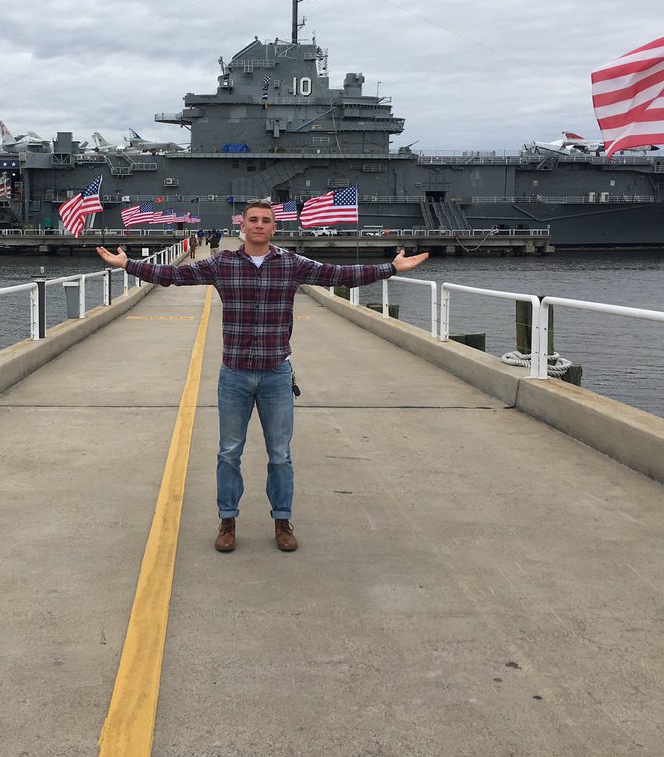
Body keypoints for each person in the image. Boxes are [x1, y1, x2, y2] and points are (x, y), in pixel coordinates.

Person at [96, 200, 429, 553]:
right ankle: (228, 519)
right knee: (228, 452)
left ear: (274, 228)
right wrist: (128, 265)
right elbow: (174, 276)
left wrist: (390, 268)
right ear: (243, 226)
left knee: (280, 454)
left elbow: (338, 275)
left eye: (265, 221)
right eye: (252, 220)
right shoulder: (223, 264)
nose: (258, 225)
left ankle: (282, 520)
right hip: (234, 375)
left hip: (275, 374)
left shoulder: (291, 264)